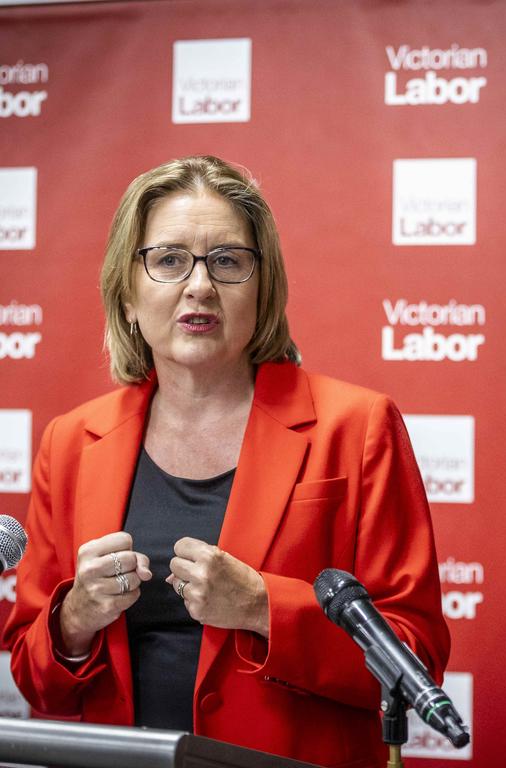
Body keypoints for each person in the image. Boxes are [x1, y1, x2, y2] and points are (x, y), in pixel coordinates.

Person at [2, 155, 450, 768]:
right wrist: (75, 618)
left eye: (228, 261)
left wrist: (262, 606)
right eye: (167, 260)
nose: (200, 286)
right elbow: (36, 681)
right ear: (127, 295)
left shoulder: (357, 426)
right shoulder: (72, 442)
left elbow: (415, 659)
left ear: (262, 289)